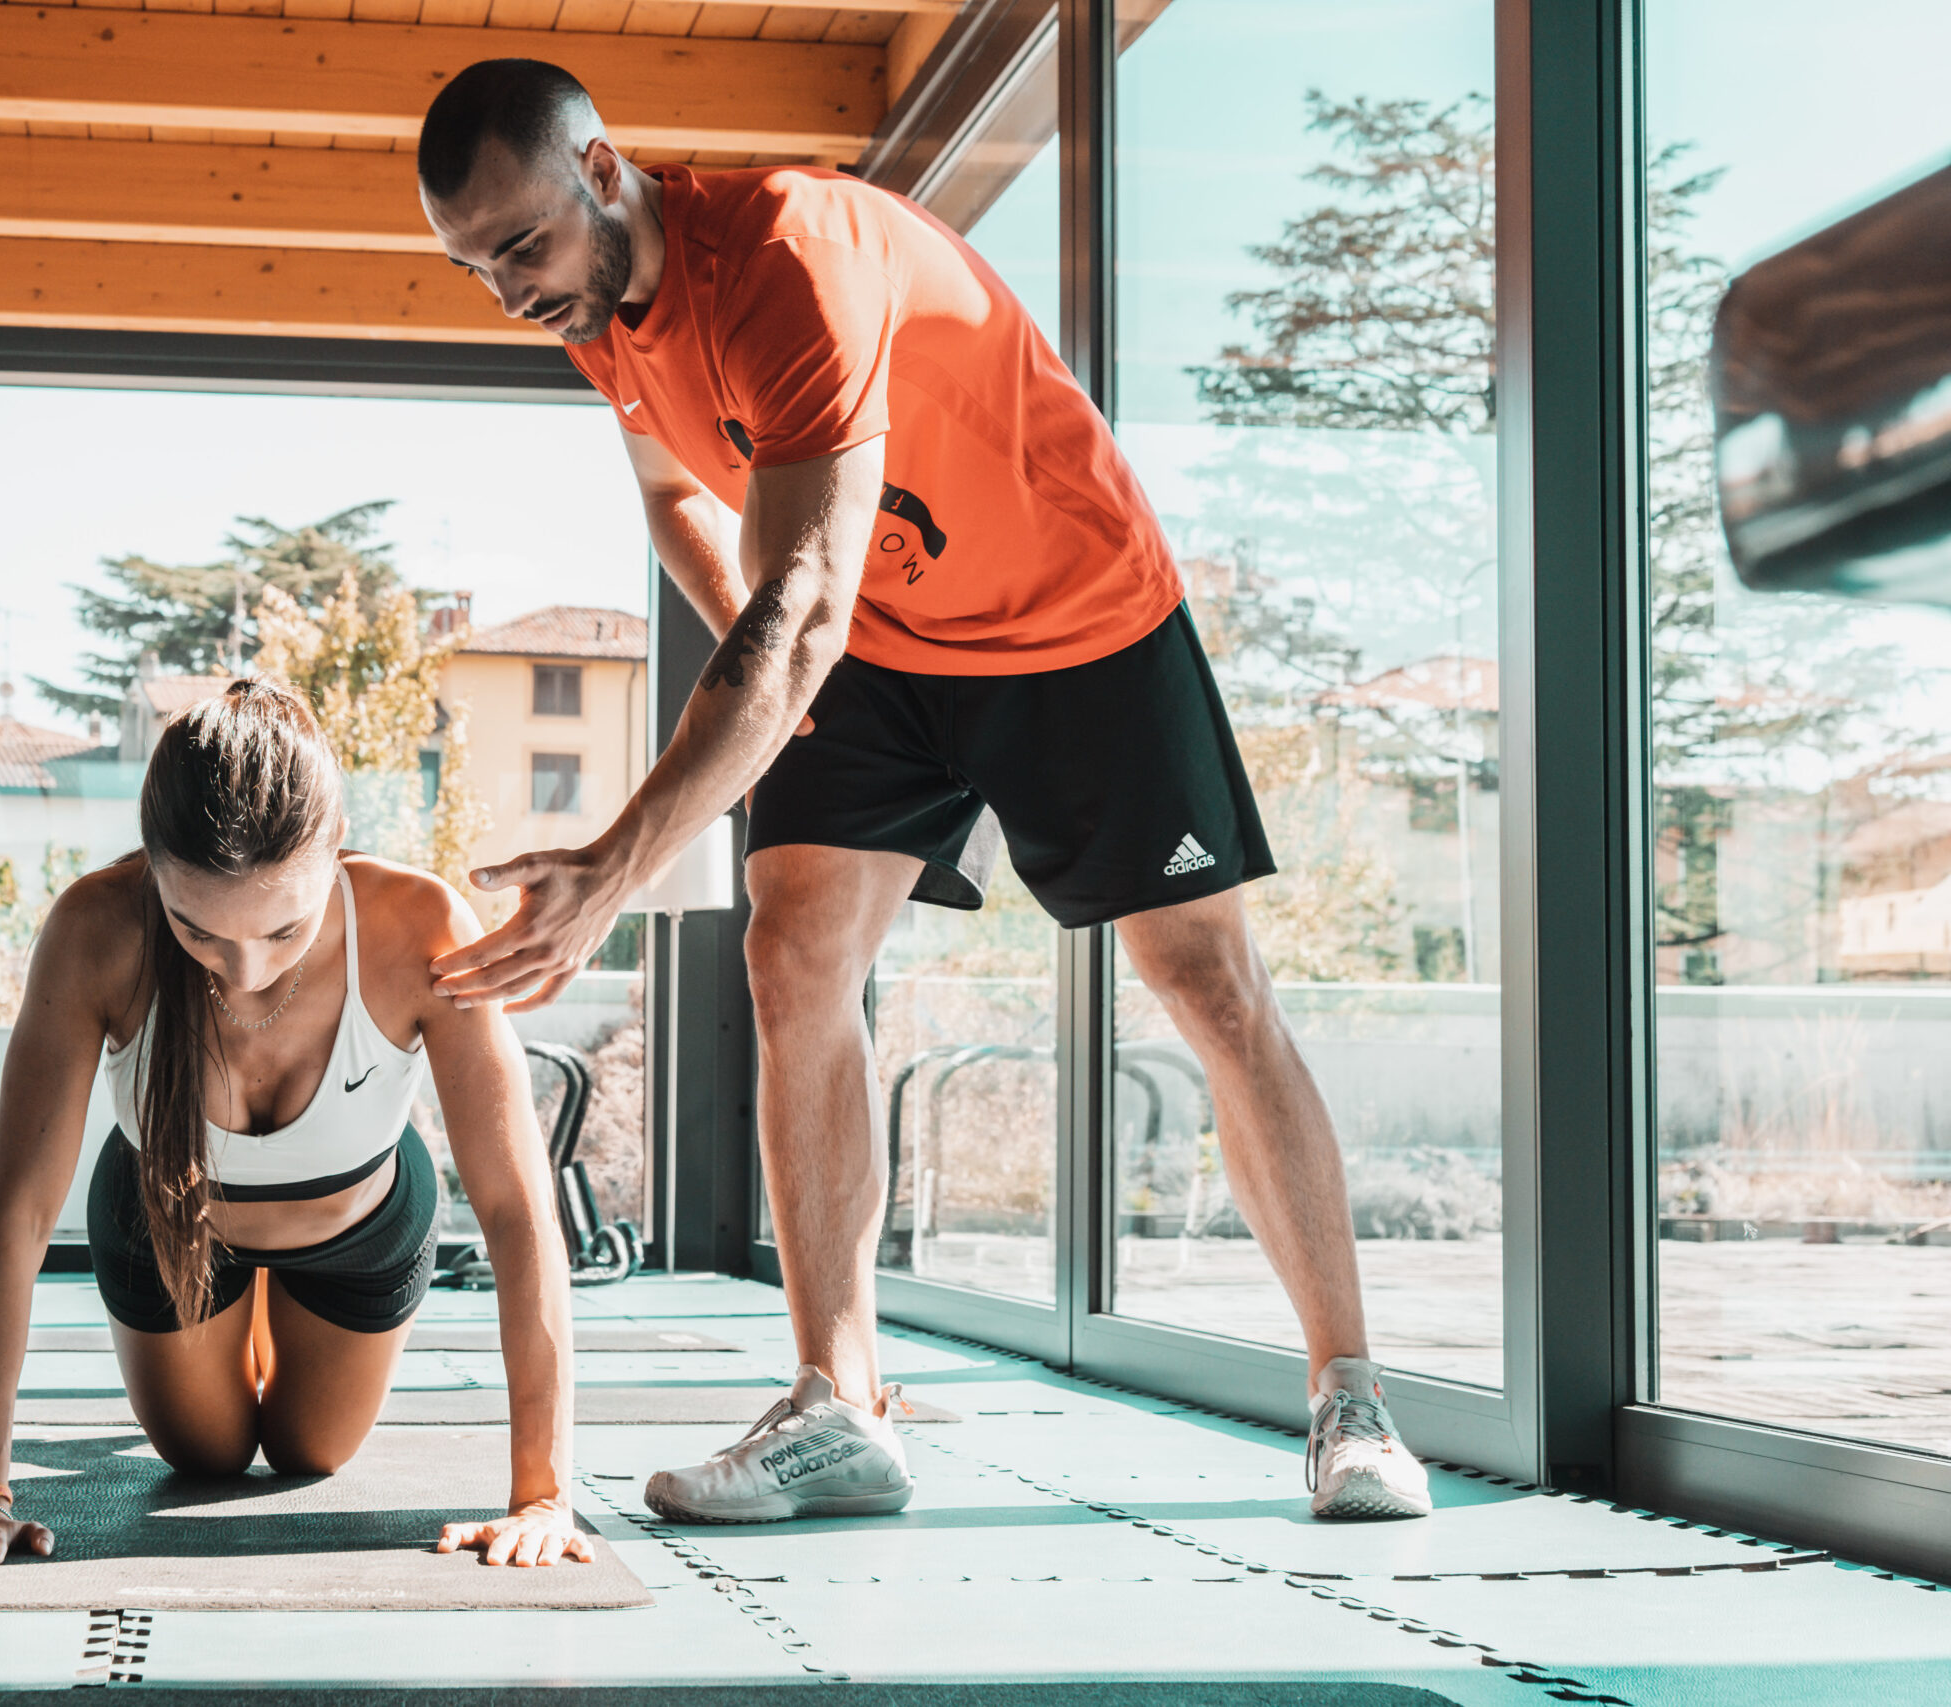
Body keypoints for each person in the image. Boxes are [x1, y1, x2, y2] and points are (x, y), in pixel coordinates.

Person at [415, 59, 1433, 1525]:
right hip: (876, 639)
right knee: (792, 944)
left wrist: (624, 856)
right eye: (474, 266)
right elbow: (674, 497)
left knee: (1205, 985)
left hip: (1074, 614)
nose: (510, 289)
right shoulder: (601, 315)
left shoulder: (784, 253)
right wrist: (786, 682)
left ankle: (1354, 1404)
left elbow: (807, 589)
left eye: (520, 246)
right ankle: (841, 1404)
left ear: (602, 168)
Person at [0, 678, 592, 1569]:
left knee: (312, 1452)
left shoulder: (415, 926)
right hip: (165, 1223)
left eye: (282, 930)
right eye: (198, 930)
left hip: (358, 1228)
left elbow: (517, 1210)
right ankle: (233, 1322)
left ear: (335, 847)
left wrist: (543, 1495)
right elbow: (16, 1216)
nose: (243, 969)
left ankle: (274, 1316)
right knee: (209, 1457)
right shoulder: (93, 929)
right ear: (151, 867)